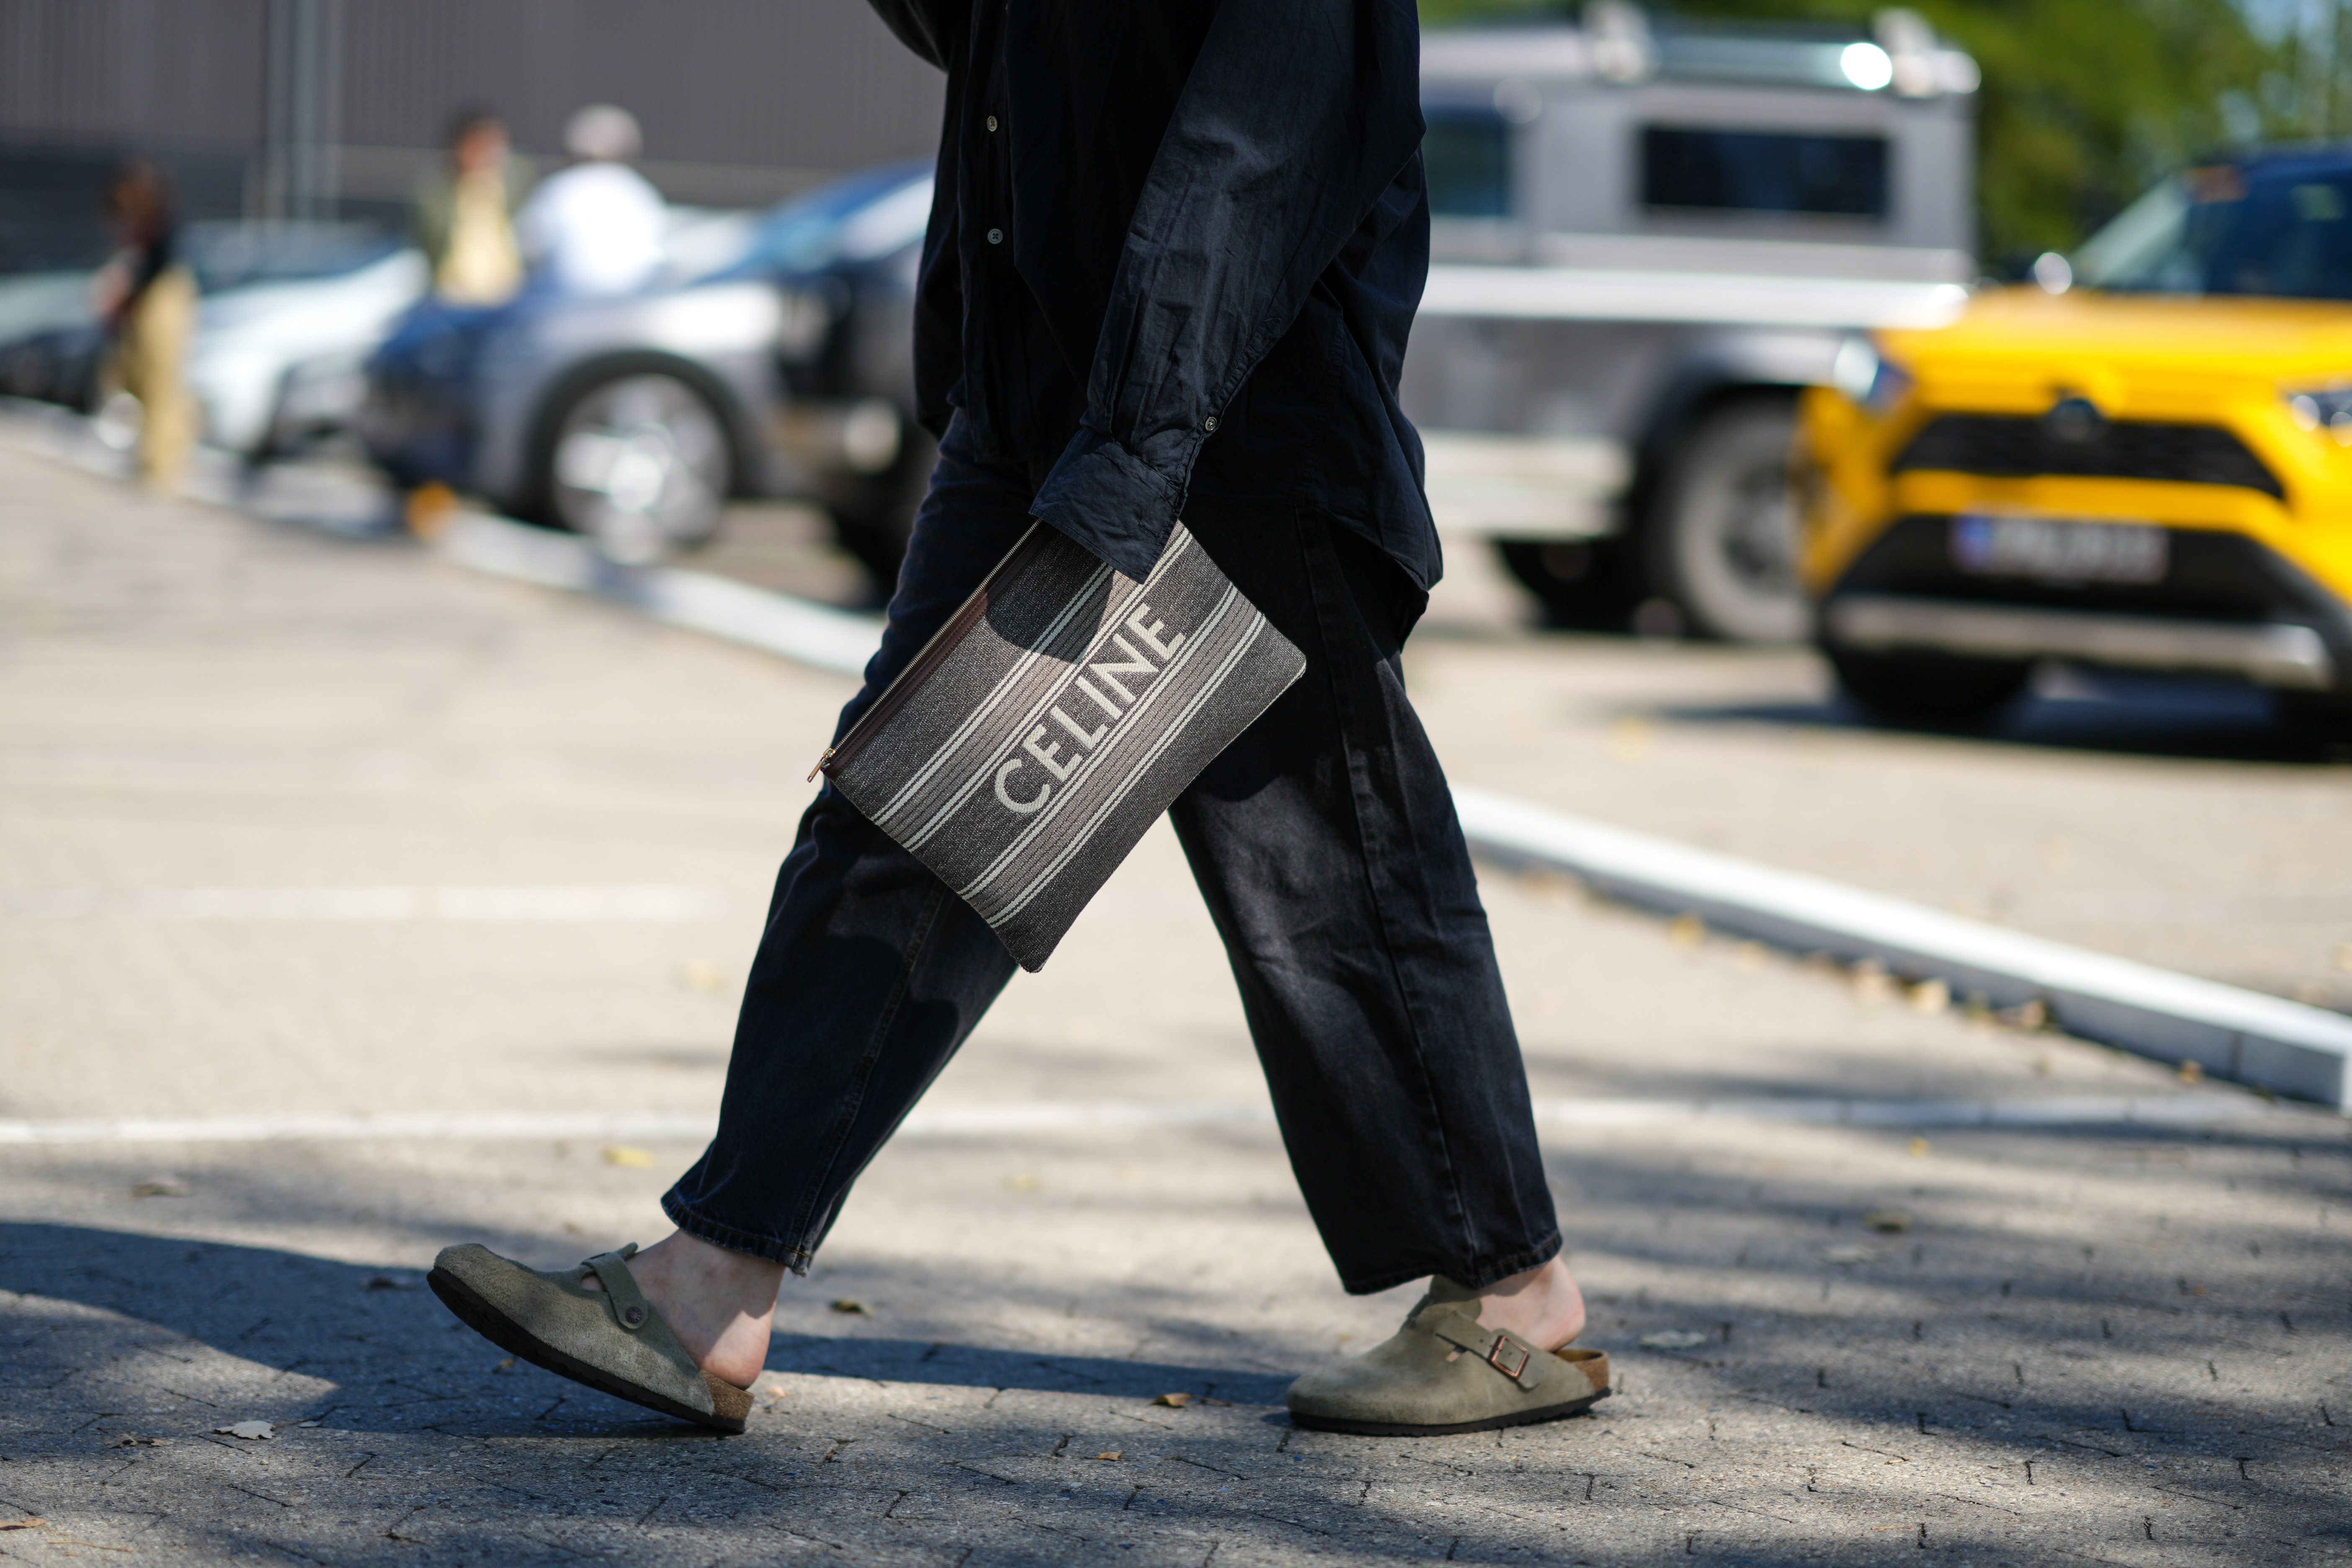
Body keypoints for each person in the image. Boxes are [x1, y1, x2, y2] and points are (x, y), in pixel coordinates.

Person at [428, 0, 1608, 1439]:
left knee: (1331, 879)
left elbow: (1258, 144)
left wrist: (1135, 445)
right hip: (1039, 389)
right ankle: (710, 1280)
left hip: (1222, 422)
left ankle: (1508, 1296)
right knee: (901, 817)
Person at [92, 158, 197, 492]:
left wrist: (126, 288)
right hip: (146, 302)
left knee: (161, 382)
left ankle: (162, 464)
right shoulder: (139, 224)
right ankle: (152, 458)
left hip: (162, 298)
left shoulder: (159, 222)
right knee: (139, 379)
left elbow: (154, 268)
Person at [513, 104, 665, 297]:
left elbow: (529, 246)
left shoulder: (559, 189)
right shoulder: (641, 192)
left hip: (564, 310)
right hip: (632, 309)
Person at [413, 108, 529, 307]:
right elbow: (429, 242)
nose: (487, 154)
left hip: (509, 296)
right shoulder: (437, 191)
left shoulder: (518, 182)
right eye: (478, 145)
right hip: (453, 298)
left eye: (493, 145)